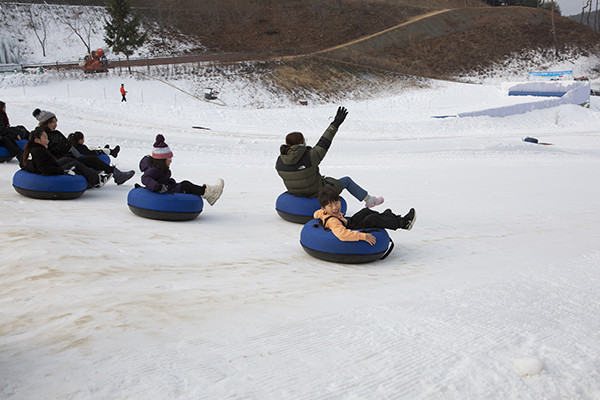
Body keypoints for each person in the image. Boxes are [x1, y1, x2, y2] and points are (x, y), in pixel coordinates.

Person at [276, 106, 384, 208]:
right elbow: (325, 141)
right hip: (316, 192)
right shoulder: (310, 156)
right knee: (346, 181)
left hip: (295, 192)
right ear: (302, 142)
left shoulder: (280, 161)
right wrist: (335, 123)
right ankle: (370, 201)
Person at [32, 108, 134, 185]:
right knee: (81, 162)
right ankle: (97, 178)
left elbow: (68, 146)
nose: (55, 125)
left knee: (92, 159)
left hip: (69, 157)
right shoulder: (41, 135)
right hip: (60, 161)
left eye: (56, 122)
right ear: (46, 122)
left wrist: (78, 155)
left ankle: (117, 174)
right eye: (53, 122)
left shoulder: (55, 133)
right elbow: (47, 151)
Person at [140, 134, 224, 206]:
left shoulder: (160, 168)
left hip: (168, 188)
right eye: (169, 158)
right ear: (162, 160)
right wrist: (157, 187)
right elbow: (145, 178)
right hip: (165, 191)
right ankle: (211, 193)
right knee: (186, 186)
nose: (171, 161)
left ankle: (209, 195)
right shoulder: (155, 169)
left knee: (185, 183)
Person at [314, 186, 416, 245]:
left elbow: (316, 214)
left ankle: (387, 216)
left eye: (336, 203)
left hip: (348, 223)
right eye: (330, 206)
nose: (335, 208)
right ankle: (403, 223)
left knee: (365, 211)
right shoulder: (333, 221)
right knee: (372, 219)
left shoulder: (322, 212)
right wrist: (363, 236)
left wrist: (317, 215)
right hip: (351, 229)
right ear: (324, 208)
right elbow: (342, 235)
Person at [21, 126, 110, 188]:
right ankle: (97, 180)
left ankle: (94, 175)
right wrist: (63, 171)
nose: (48, 141)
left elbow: (23, 163)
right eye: (45, 138)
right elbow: (44, 169)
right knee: (75, 164)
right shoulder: (40, 151)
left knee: (68, 159)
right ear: (37, 140)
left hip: (52, 165)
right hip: (51, 170)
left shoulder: (30, 148)